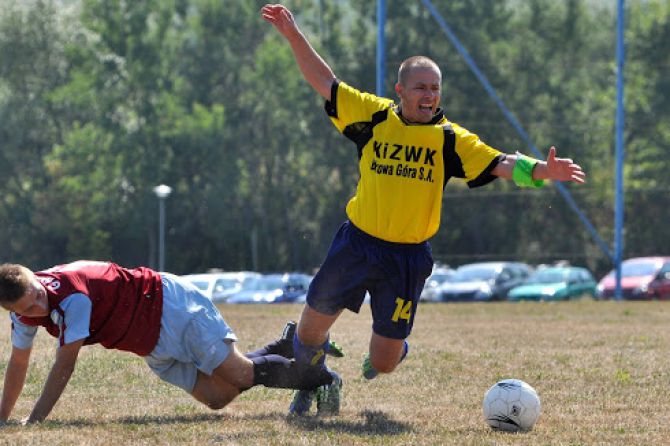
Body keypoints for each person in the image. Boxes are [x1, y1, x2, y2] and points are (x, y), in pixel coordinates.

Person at [261, 3, 586, 417]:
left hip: (406, 259)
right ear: (401, 91)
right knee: (307, 333)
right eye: (420, 87)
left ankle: (395, 349)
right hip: (357, 244)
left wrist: (543, 170)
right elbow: (326, 82)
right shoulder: (375, 116)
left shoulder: (450, 140)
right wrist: (293, 36)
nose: (429, 96)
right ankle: (319, 382)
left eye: (435, 89)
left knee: (383, 362)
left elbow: (499, 162)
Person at [0, 260, 338, 424]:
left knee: (240, 375)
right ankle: (286, 346)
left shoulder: (72, 298)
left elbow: (64, 365)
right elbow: (18, 363)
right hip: (148, 342)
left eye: (38, 296)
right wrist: (3, 416)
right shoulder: (23, 314)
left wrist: (35, 423)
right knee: (218, 397)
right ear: (14, 312)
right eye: (28, 308)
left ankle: (321, 378)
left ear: (35, 278)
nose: (38, 306)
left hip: (169, 307)